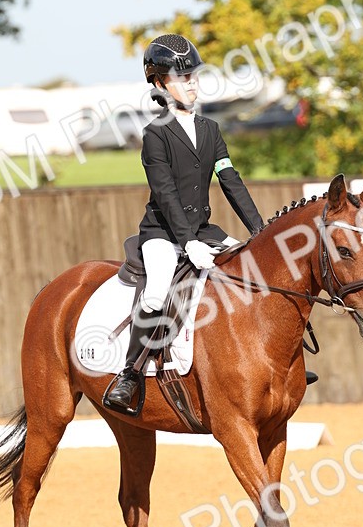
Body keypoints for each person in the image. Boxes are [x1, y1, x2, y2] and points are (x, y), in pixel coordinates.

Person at [104, 33, 265, 409]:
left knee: (254, 272)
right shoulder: (155, 135)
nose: (191, 83)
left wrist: (260, 230)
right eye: (182, 77)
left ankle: (265, 362)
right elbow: (165, 193)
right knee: (158, 289)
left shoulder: (211, 130)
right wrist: (187, 241)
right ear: (160, 84)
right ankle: (129, 375)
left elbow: (230, 180)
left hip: (205, 232)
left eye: (193, 75)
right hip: (162, 233)